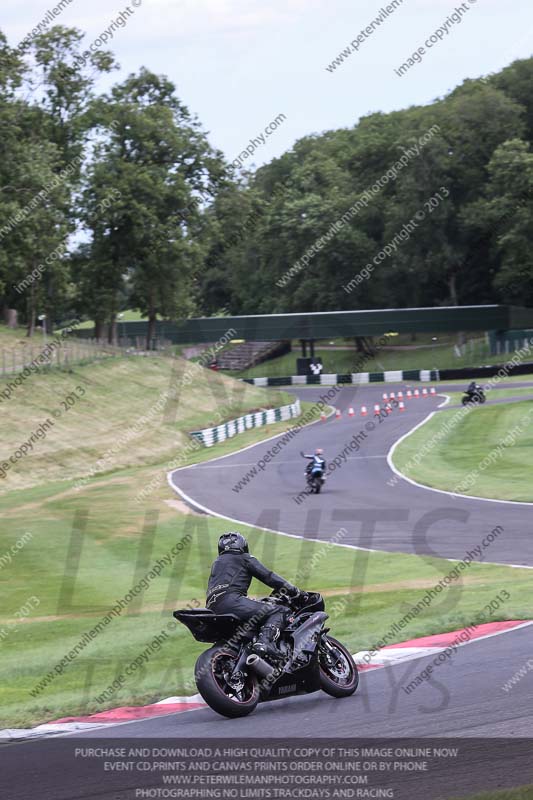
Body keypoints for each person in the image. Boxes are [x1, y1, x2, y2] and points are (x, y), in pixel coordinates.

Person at [206, 532, 300, 659]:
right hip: (232, 602)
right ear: (242, 546)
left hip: (212, 608)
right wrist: (294, 590)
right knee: (280, 611)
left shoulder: (216, 563)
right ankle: (265, 642)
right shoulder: (243, 558)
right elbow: (268, 576)